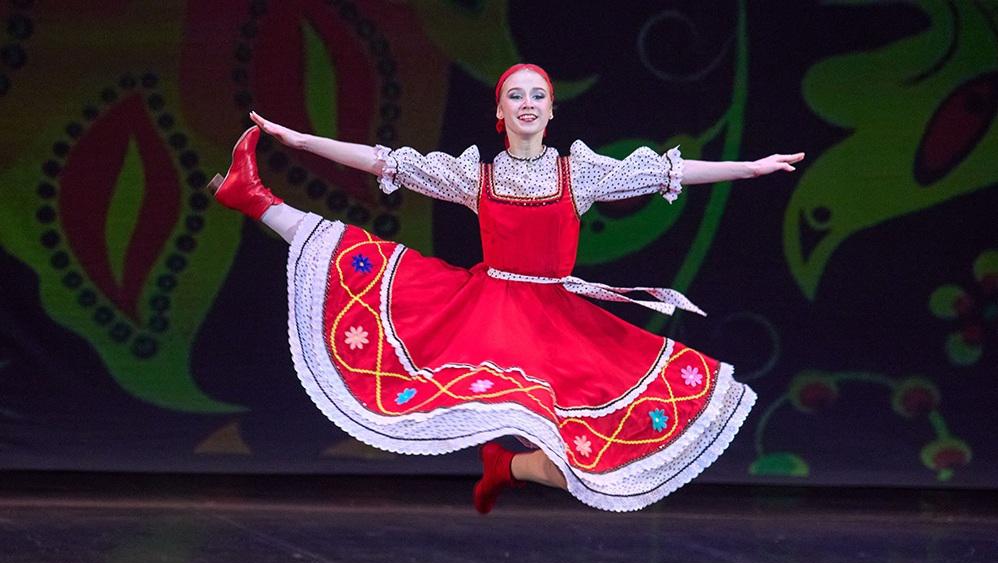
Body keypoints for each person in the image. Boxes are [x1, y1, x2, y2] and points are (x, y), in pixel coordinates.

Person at [210, 63, 804, 514]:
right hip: (488, 315)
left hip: (556, 324)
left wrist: (750, 168)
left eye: (537, 96)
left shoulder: (580, 173)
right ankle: (254, 198)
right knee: (362, 262)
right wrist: (302, 142)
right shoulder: (477, 176)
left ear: (551, 112)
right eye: (515, 95)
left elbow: (666, 172)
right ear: (500, 109)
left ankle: (507, 468)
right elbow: (385, 163)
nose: (527, 104)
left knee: (582, 468)